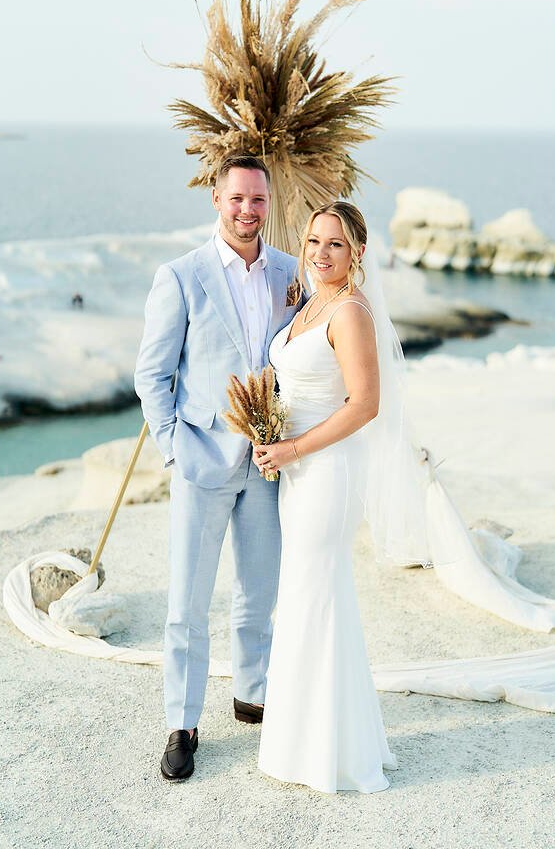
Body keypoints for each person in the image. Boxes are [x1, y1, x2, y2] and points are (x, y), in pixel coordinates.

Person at [134, 154, 304, 782]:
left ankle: (252, 693)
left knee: (259, 592)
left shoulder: (291, 273)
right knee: (187, 601)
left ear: (268, 202)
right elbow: (152, 374)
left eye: (257, 200)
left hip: (267, 463)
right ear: (216, 198)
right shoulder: (181, 276)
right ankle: (182, 722)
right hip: (201, 459)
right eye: (236, 199)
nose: (247, 211)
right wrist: (175, 448)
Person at [253, 202, 398, 794]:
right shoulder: (308, 304)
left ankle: (324, 754)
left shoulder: (352, 312)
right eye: (313, 240)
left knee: (315, 597)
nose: (319, 252)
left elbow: (365, 404)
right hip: (297, 472)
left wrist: (293, 449)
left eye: (334, 244)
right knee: (310, 597)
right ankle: (319, 741)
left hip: (328, 471)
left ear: (357, 253)